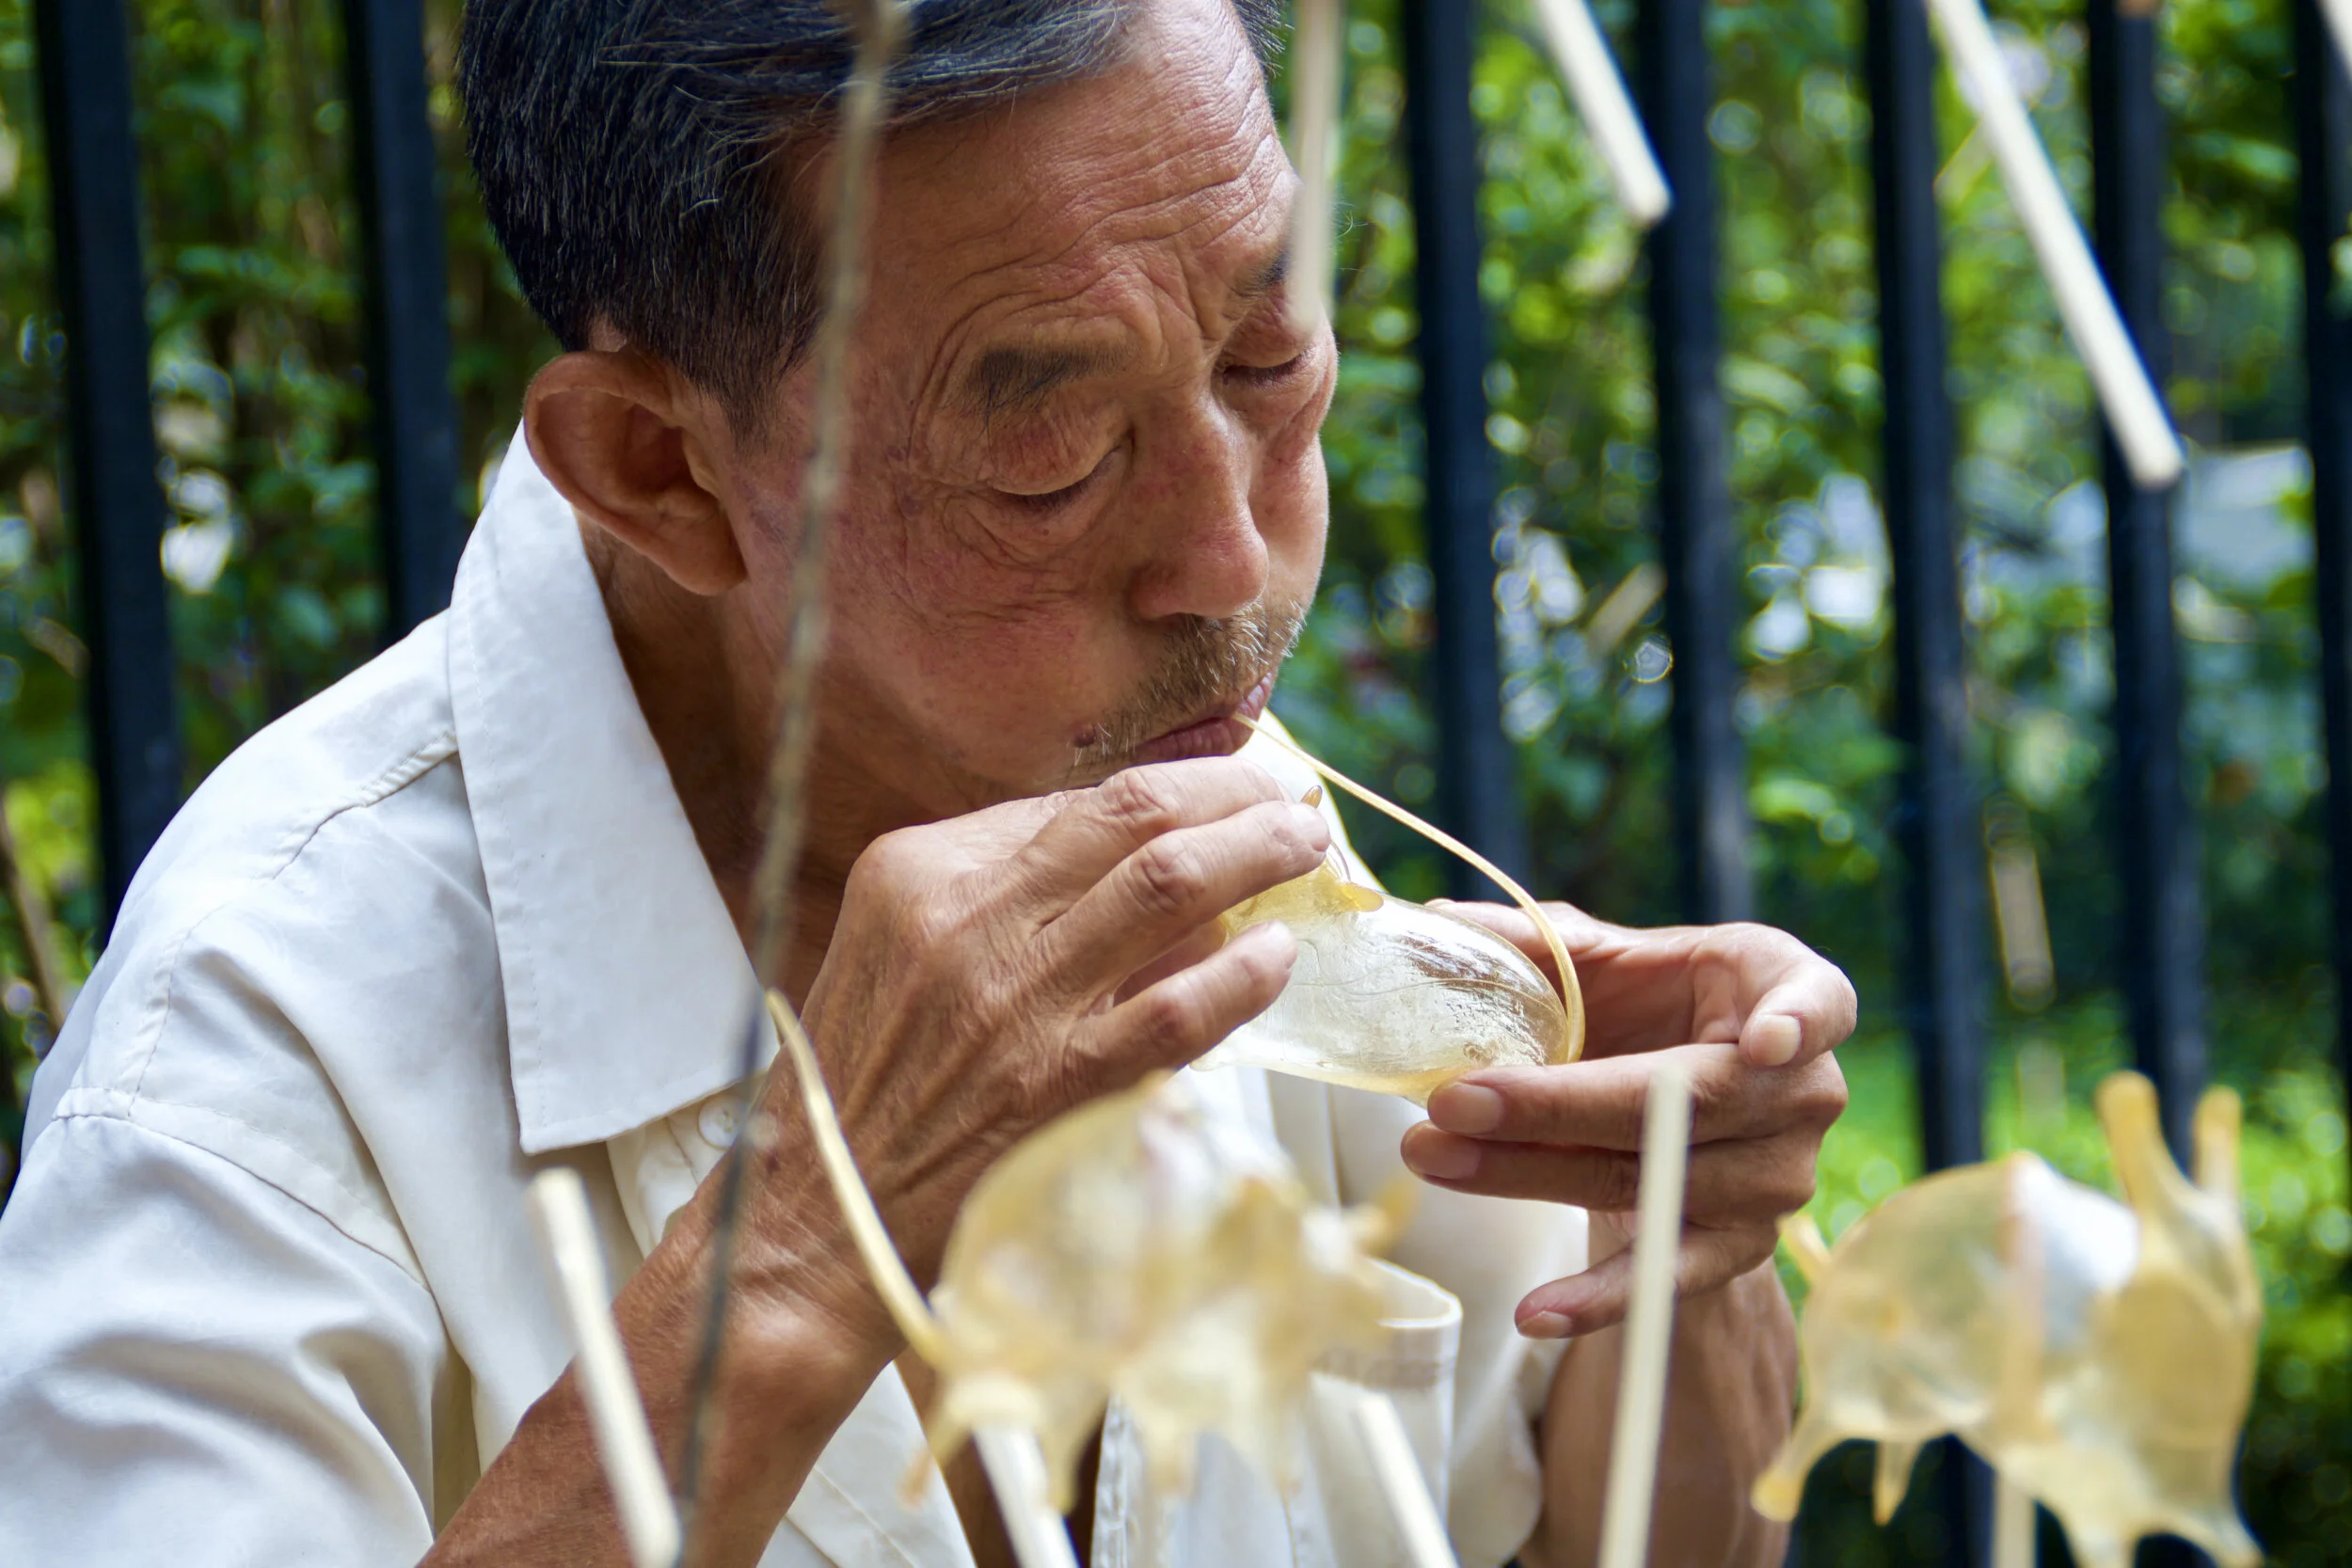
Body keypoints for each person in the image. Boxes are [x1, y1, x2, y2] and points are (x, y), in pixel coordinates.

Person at [0, 2, 1852, 1564]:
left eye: (1265, 352)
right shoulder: (248, 1069)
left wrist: (1667, 1225)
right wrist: (805, 1251)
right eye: (1046, 458)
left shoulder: (1194, 794)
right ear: (656, 466)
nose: (1225, 561)